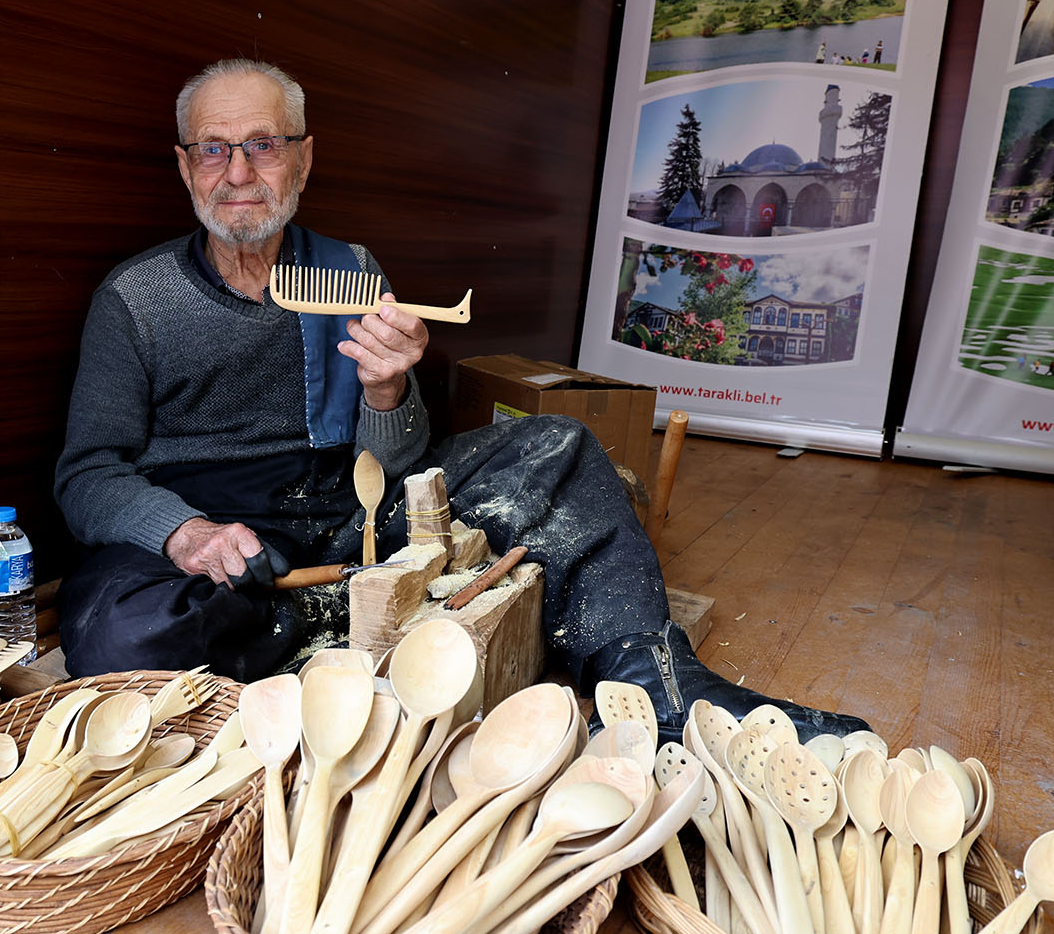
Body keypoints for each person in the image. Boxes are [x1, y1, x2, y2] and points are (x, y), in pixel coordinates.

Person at [53, 57, 866, 739]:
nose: (238, 173)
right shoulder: (137, 300)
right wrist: (185, 534)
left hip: (350, 506)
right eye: (213, 150)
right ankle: (323, 636)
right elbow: (87, 475)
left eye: (262, 145)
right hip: (225, 544)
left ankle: (656, 685)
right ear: (183, 163)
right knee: (116, 628)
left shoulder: (350, 268)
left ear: (303, 159)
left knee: (559, 446)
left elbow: (399, 463)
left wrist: (388, 389)